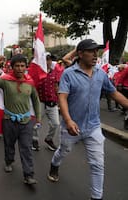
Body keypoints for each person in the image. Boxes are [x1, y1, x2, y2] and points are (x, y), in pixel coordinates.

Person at [47, 39, 128, 200]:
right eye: (91, 51)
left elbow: (113, 93)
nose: (95, 55)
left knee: (97, 164)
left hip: (93, 127)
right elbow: (62, 98)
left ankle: (96, 197)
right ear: (80, 54)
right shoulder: (69, 74)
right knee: (64, 150)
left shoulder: (100, 73)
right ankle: (54, 165)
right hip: (72, 126)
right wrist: (68, 120)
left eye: (96, 51)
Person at [0, 54, 41, 185]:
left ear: (26, 67)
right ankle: (9, 161)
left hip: (26, 122)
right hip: (9, 121)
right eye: (17, 66)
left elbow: (36, 100)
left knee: (26, 148)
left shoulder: (30, 82)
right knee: (9, 144)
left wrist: (38, 118)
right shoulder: (5, 80)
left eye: (22, 66)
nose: (20, 68)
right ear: (12, 67)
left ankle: (28, 175)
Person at [34, 53, 60, 151]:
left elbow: (56, 87)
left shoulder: (54, 73)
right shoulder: (37, 74)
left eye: (49, 60)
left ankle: (49, 139)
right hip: (40, 102)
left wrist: (59, 100)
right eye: (46, 60)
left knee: (56, 124)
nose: (48, 62)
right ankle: (34, 140)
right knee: (37, 124)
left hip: (52, 102)